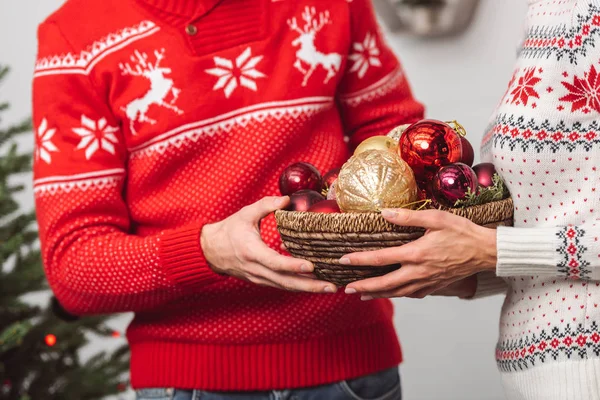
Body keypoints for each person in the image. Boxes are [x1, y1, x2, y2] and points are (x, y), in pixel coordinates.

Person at [32, 0, 424, 398]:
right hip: (188, 383)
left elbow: (404, 149)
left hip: (355, 369)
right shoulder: (75, 39)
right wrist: (207, 252)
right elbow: (73, 266)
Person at [343, 0, 600, 399]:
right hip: (538, 375)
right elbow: (560, 215)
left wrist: (492, 249)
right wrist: (458, 270)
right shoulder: (549, 13)